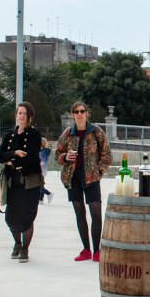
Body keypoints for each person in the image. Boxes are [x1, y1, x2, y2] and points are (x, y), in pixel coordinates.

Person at [55, 101, 112, 262]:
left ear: (87, 113)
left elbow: (107, 154)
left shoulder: (96, 132)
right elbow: (57, 155)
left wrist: (99, 171)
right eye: (76, 112)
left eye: (82, 111)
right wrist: (65, 157)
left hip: (91, 177)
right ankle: (86, 249)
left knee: (96, 214)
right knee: (80, 213)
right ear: (73, 115)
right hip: (73, 176)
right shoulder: (67, 134)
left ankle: (97, 251)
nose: (79, 114)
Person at [0, 103, 44, 262]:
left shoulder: (34, 135)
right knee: (11, 217)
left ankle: (25, 249)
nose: (22, 116)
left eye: (25, 113)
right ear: (16, 115)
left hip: (30, 182)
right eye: (19, 113)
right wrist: (14, 153)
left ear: (29, 116)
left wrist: (13, 162)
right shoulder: (9, 135)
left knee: (27, 217)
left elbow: (31, 157)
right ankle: (17, 243)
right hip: (13, 182)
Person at [38, 138, 53, 204]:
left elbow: (42, 162)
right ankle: (41, 199)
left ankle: (49, 193)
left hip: (40, 171)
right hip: (42, 171)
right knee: (41, 185)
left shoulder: (42, 153)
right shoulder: (44, 152)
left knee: (39, 185)